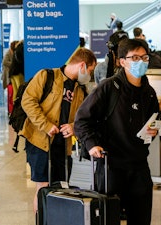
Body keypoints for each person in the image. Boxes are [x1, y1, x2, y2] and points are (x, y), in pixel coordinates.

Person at [74, 39, 159, 225]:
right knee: (108, 219)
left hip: (139, 167)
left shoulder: (149, 93)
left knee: (141, 218)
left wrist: (152, 132)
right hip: (111, 166)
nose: (141, 62)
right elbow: (81, 121)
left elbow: (154, 123)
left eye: (144, 57)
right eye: (135, 57)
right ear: (122, 61)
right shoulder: (108, 88)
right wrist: (91, 144)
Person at [19, 48, 97, 213]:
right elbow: (27, 101)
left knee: (61, 187)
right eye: (90, 70)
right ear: (82, 65)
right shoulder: (47, 76)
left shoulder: (80, 89)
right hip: (40, 141)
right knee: (43, 186)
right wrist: (46, 125)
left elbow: (83, 117)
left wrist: (73, 127)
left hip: (63, 146)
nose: (90, 75)